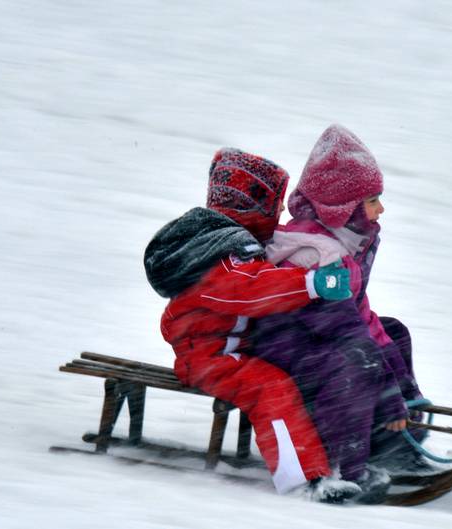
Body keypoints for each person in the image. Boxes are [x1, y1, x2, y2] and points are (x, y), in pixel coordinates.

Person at [143, 147, 357, 500]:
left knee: (305, 367)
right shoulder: (222, 259)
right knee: (271, 388)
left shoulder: (225, 244)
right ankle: (305, 480)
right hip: (212, 357)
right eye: (276, 205)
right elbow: (249, 290)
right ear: (253, 207)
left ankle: (332, 456)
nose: (282, 212)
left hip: (230, 346)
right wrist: (311, 283)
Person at [252, 124, 428, 498]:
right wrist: (393, 395)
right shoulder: (318, 255)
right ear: (344, 207)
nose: (381, 209)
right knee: (355, 359)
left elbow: (361, 316)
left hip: (318, 339)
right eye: (372, 200)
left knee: (392, 331)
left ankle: (396, 438)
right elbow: (347, 332)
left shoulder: (344, 242)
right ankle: (350, 465)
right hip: (285, 348)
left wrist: (406, 393)